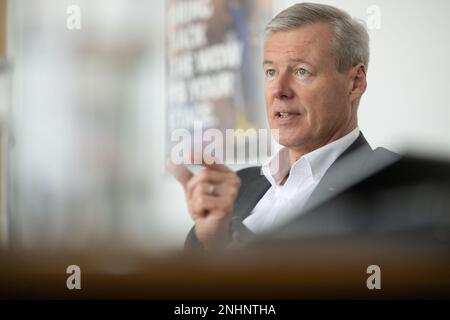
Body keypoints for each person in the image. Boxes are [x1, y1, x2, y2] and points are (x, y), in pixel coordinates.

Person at [168, 3, 396, 251]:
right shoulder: (239, 185)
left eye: (301, 71)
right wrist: (211, 242)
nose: (278, 90)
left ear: (355, 83)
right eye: (271, 72)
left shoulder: (390, 185)